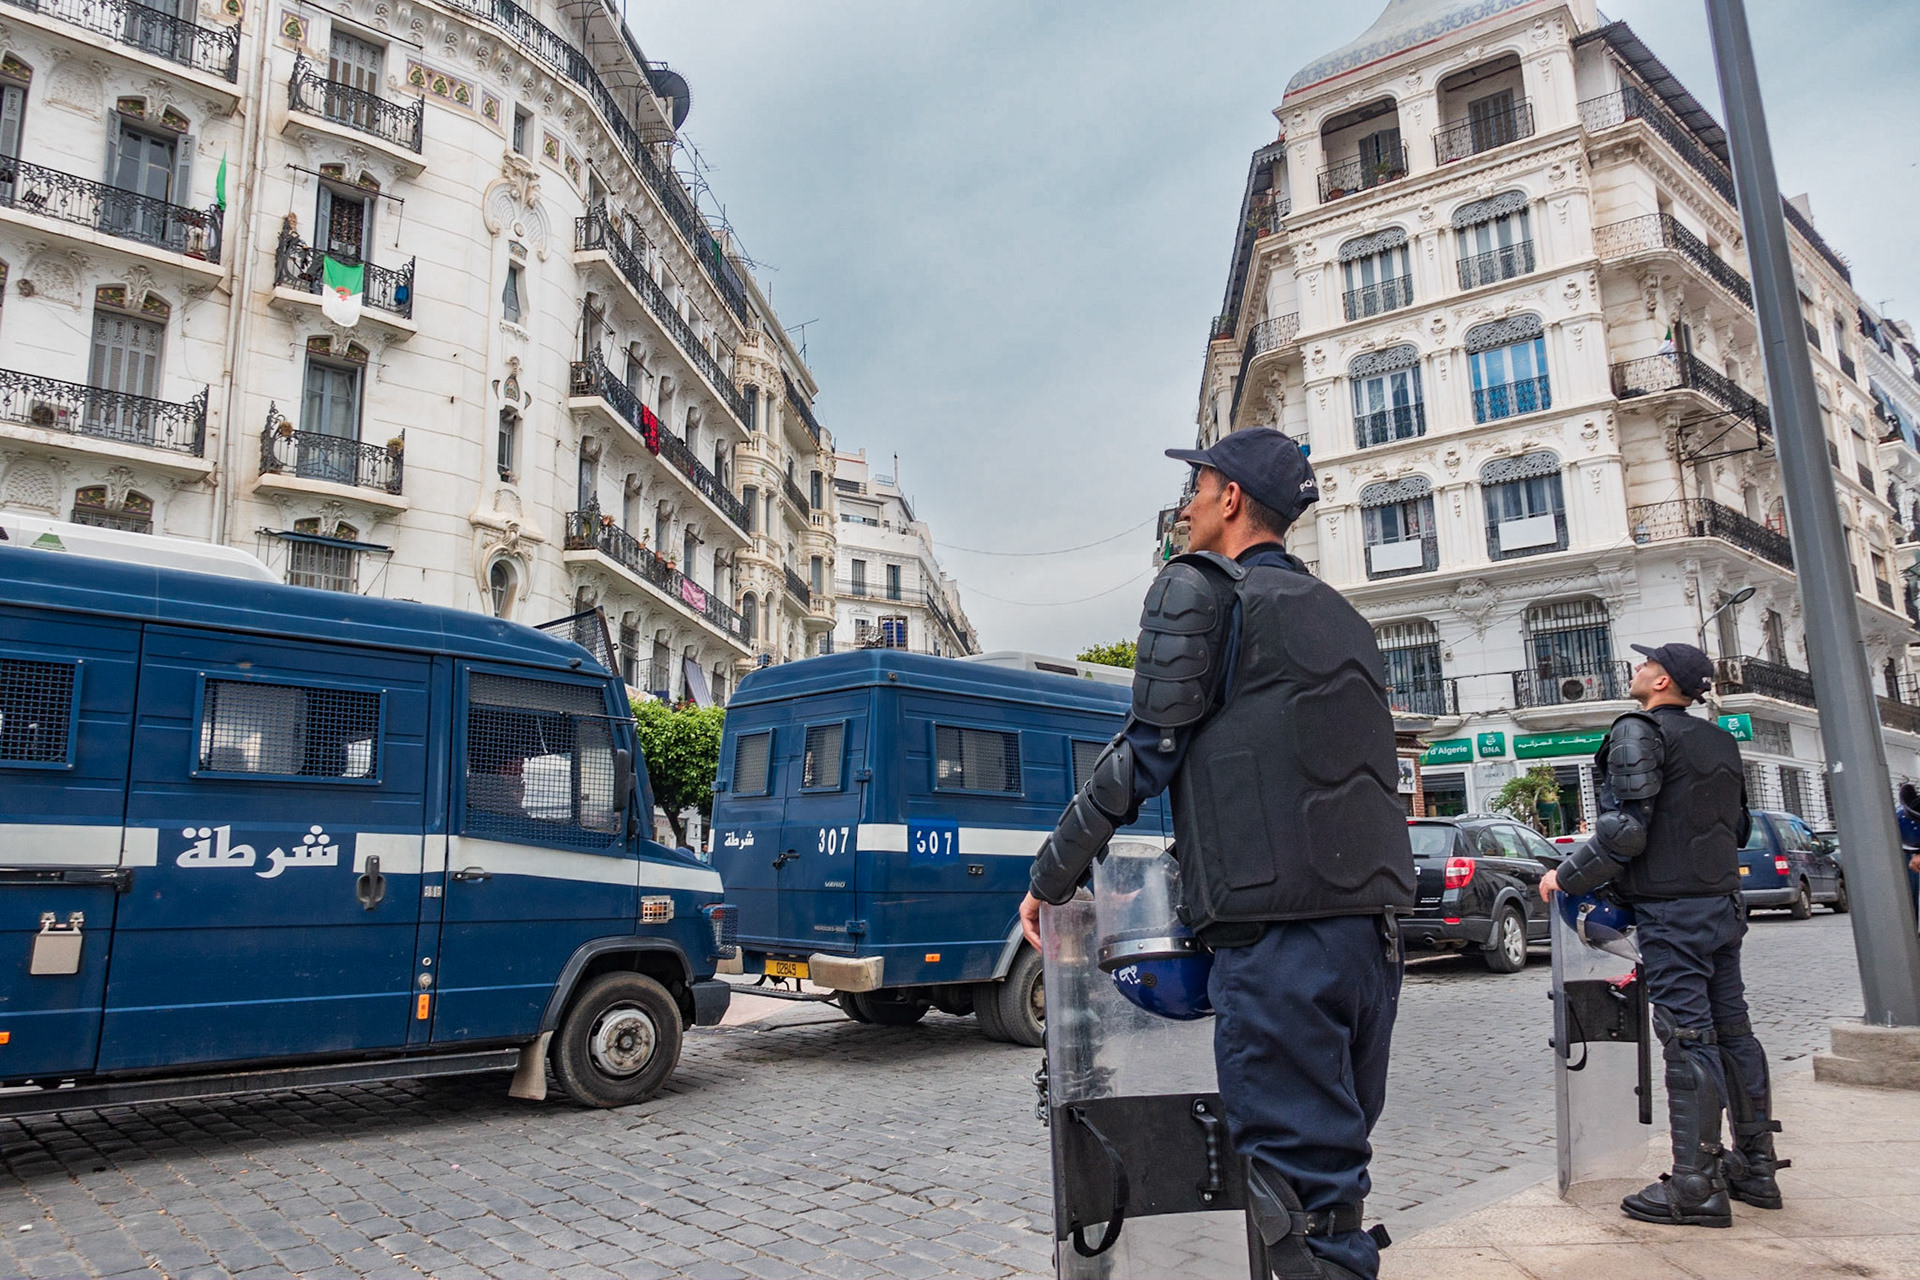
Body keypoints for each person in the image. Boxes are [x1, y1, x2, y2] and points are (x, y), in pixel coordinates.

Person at [1019, 429, 1416, 1280]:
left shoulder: (1198, 590)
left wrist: (1050, 877)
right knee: (1332, 1185)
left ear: (1231, 498)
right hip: (1371, 945)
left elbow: (1145, 752)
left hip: (1279, 947)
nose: (1188, 502)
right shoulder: (1343, 613)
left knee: (1297, 1202)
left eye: (1198, 485)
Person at [1540, 642, 1780, 1228]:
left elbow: (1625, 830)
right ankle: (1756, 1167)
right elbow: (1740, 824)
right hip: (1722, 903)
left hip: (1671, 911)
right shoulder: (1719, 739)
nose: (1637, 669)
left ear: (1662, 679)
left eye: (1645, 664)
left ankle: (1695, 1186)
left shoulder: (1639, 729)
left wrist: (1564, 875)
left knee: (1688, 1037)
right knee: (1734, 1032)